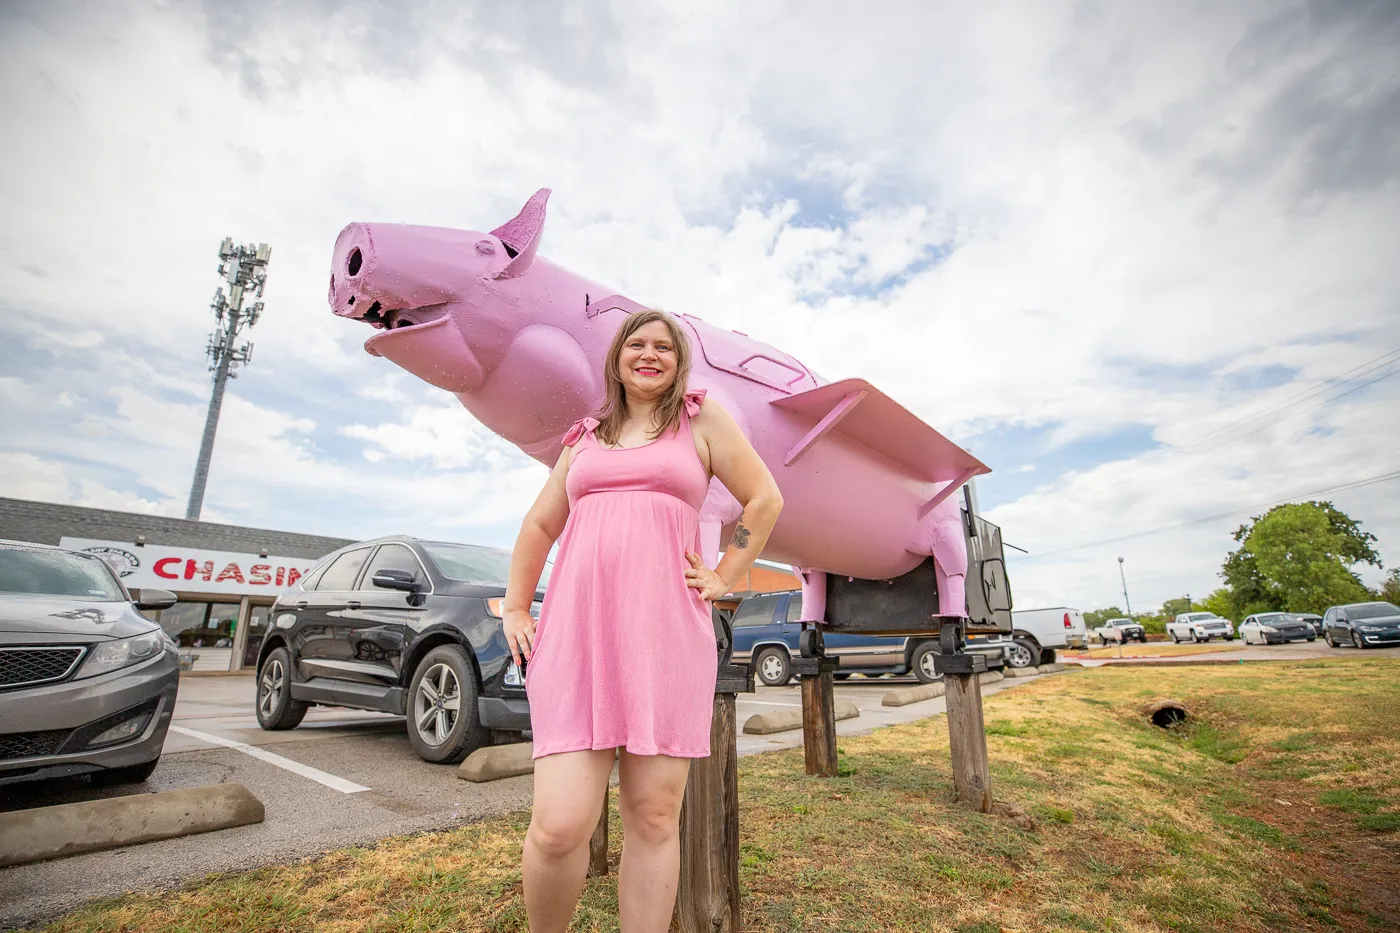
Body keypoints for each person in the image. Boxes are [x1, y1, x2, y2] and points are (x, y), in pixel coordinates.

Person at [500, 308, 783, 932]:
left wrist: (727, 574)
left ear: (679, 363)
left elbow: (764, 498)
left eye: (664, 346)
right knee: (557, 826)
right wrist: (517, 606)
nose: (649, 354)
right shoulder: (583, 437)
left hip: (667, 639)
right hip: (578, 639)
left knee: (654, 818)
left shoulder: (700, 421)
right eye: (637, 343)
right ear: (618, 358)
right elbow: (541, 523)